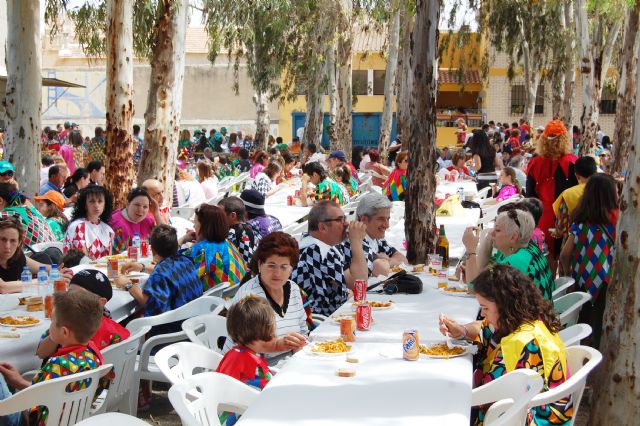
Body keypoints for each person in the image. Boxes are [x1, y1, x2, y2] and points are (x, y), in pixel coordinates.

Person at [439, 265, 570, 426]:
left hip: (530, 418)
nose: (482, 313)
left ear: (505, 304)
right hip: (548, 412)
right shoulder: (530, 319)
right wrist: (462, 330)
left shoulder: (521, 343)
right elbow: (484, 327)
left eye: (485, 308)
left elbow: (490, 396)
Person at [0, 291, 104, 426]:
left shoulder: (57, 365)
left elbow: (34, 414)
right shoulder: (94, 354)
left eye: (52, 322)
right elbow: (58, 393)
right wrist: (19, 382)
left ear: (64, 332)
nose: (49, 326)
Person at [224, 233, 309, 362]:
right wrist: (279, 345)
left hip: (289, 362)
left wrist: (299, 345)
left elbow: (303, 330)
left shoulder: (294, 289)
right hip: (253, 370)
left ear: (291, 268)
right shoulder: (249, 297)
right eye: (271, 265)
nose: (277, 273)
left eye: (284, 267)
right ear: (260, 265)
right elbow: (248, 345)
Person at [560, 173, 618, 347]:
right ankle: (599, 351)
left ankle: (582, 350)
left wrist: (568, 275)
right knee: (602, 318)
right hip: (608, 279)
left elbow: (565, 254)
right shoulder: (617, 221)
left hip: (583, 278)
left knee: (584, 316)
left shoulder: (580, 222)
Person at [115, 225, 202, 330]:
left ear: (152, 250)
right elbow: (170, 271)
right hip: (193, 320)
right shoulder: (185, 260)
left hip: (173, 328)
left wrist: (128, 284)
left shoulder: (159, 275)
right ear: (176, 246)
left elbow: (147, 302)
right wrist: (142, 267)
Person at [291, 201, 368, 315]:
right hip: (317, 324)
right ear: (322, 227)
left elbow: (351, 284)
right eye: (340, 220)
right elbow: (358, 284)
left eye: (345, 218)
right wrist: (356, 241)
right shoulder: (316, 251)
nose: (346, 224)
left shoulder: (318, 245)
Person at [36, 269, 131, 359]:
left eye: (79, 295)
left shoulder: (109, 330)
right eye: (69, 293)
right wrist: (56, 334)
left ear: (101, 302)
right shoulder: (64, 319)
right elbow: (41, 353)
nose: (70, 299)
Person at [463, 209, 555, 300]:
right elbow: (483, 272)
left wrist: (470, 250)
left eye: (497, 230)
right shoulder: (524, 247)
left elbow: (474, 290)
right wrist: (488, 239)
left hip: (532, 314)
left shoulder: (517, 261)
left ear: (513, 237)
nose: (491, 232)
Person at [526, 120, 578, 273]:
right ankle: (564, 291)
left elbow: (530, 196)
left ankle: (549, 291)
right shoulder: (572, 162)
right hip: (568, 216)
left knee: (547, 257)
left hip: (543, 216)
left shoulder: (535, 163)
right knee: (566, 258)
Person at [217, 295, 276, 425]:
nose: (272, 337)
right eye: (268, 333)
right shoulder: (251, 360)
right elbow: (270, 389)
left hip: (223, 412)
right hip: (239, 417)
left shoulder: (234, 353)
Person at [177, 204, 247, 290]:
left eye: (195, 223)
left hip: (217, 300)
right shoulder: (228, 243)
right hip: (236, 294)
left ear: (204, 227)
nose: (194, 227)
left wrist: (182, 240)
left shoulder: (203, 251)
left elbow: (177, 275)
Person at [342, 193, 408, 277]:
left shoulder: (377, 239)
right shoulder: (355, 241)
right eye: (381, 219)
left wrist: (387, 260)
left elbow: (403, 259)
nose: (387, 225)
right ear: (364, 219)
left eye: (388, 219)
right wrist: (384, 261)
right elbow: (381, 269)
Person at [0, 217, 71, 294]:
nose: (7, 246)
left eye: (13, 241)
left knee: (42, 257)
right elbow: (3, 287)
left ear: (19, 243)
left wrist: (57, 272)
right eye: (3, 240)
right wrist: (49, 280)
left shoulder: (17, 255)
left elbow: (39, 267)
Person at [552, 156, 597, 248]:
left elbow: (561, 225)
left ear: (576, 175)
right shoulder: (606, 190)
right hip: (600, 244)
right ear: (595, 173)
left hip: (574, 245)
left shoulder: (568, 194)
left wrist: (558, 232)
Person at [64, 186, 114, 259]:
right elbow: (83, 260)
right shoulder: (78, 226)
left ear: (105, 205)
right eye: (92, 201)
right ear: (85, 205)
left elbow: (109, 259)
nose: (96, 205)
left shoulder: (107, 229)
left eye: (100, 201)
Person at [109, 188, 157, 253]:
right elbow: (117, 255)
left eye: (145, 207)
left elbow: (165, 241)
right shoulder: (117, 223)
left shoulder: (147, 220)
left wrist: (157, 213)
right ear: (128, 204)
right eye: (137, 205)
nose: (140, 210)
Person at [219, 196, 261, 265]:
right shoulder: (254, 230)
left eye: (220, 214)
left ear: (232, 216)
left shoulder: (231, 234)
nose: (217, 217)